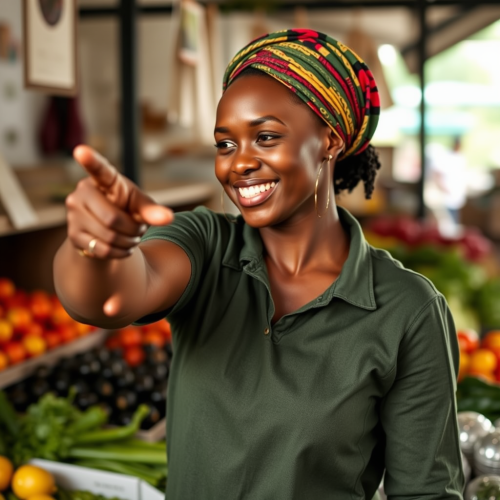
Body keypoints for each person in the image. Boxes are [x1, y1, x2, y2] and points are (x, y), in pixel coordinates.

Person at [54, 29, 464, 499]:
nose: (238, 164)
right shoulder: (207, 247)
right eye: (225, 144)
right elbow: (107, 298)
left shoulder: (407, 310)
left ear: (329, 141)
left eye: (266, 137)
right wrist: (96, 247)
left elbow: (426, 491)